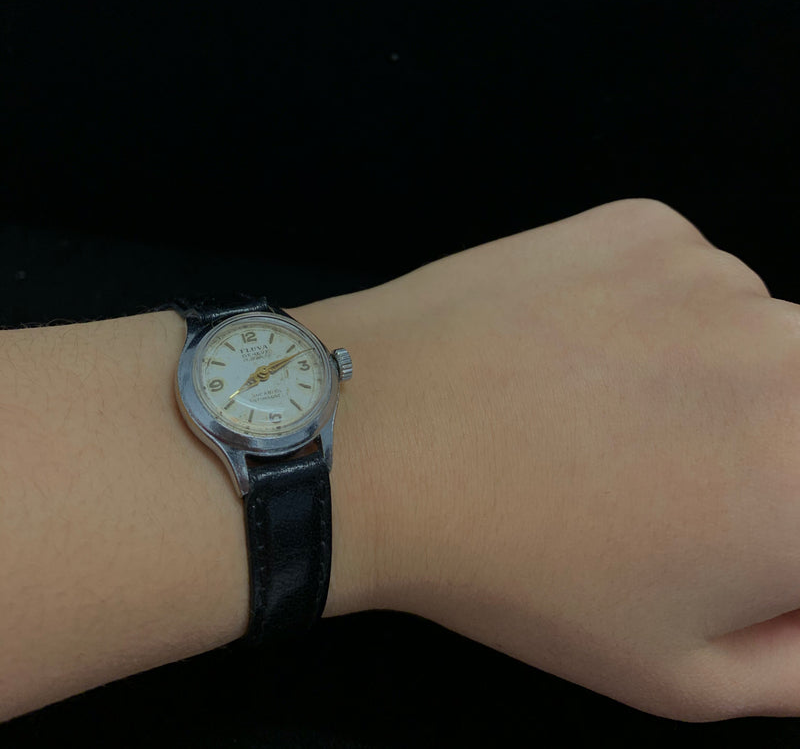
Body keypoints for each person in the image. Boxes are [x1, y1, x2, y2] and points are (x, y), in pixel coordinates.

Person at [2, 196, 800, 724]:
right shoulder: (240, 400)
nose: (276, 371)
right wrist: (384, 473)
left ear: (329, 369)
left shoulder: (299, 378)